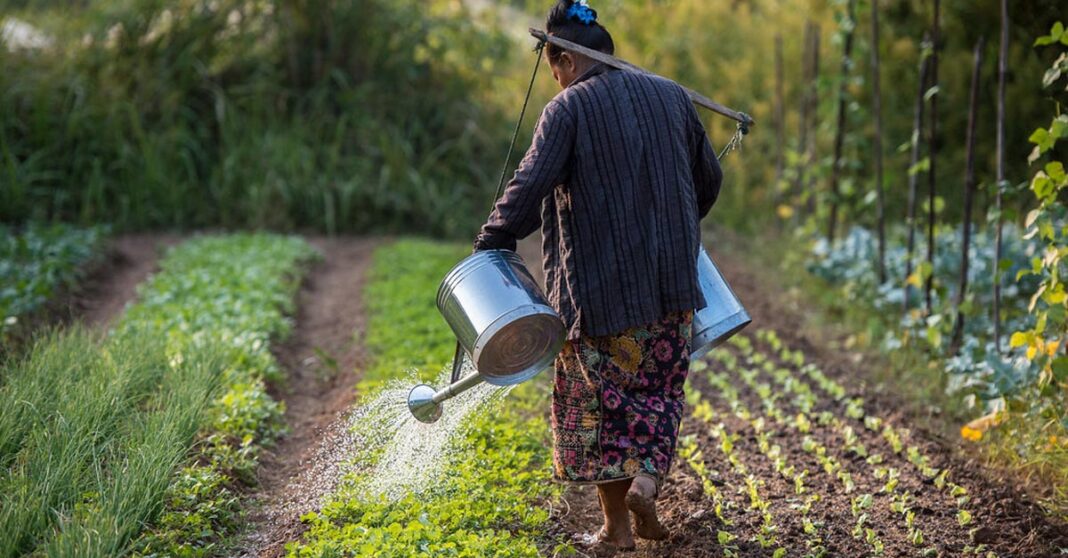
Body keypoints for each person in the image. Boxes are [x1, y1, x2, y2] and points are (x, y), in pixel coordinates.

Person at [474, 0, 723, 552]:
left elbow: (528, 185)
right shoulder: (673, 96)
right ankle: (648, 482)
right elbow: (708, 180)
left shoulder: (568, 110)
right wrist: (671, 227)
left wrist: (491, 240)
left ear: (564, 61)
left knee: (602, 409)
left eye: (552, 69)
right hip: (670, 288)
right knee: (659, 393)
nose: (555, 80)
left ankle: (616, 530)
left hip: (597, 296)